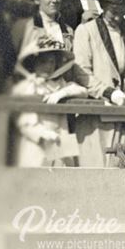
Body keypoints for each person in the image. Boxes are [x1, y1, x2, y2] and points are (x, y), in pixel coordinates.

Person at [71, 0, 125, 166]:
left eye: (122, 12)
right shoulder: (85, 31)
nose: (118, 18)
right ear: (103, 7)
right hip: (97, 117)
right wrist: (109, 92)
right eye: (114, 12)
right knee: (97, 169)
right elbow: (82, 73)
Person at [11, 35, 88, 167]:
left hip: (60, 145)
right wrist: (44, 134)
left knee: (62, 182)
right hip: (37, 146)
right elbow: (23, 122)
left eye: (51, 62)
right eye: (43, 62)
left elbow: (82, 92)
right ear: (34, 63)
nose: (48, 66)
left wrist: (62, 93)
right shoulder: (26, 86)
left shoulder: (60, 84)